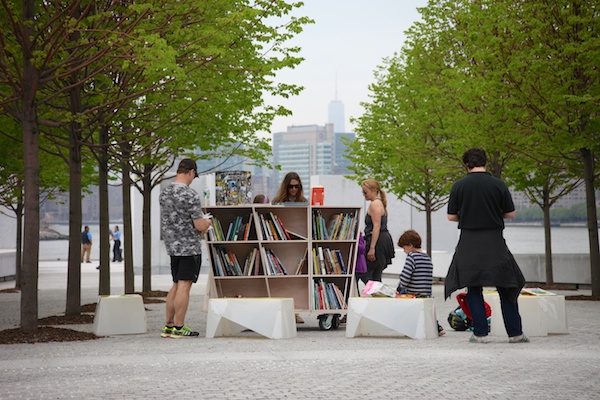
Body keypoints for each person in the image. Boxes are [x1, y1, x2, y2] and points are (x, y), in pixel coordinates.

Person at [445, 148, 528, 344]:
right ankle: (515, 333)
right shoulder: (498, 184)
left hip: (469, 242)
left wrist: (467, 216)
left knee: (474, 287)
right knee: (506, 286)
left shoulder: (459, 186)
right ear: (485, 162)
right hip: (494, 242)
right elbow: (511, 213)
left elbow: (451, 216)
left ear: (467, 165)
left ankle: (480, 334)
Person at [159, 158, 213, 338]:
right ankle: (180, 327)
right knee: (184, 286)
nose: (193, 179)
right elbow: (198, 226)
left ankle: (168, 325)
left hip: (172, 246)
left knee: (175, 284)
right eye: (193, 176)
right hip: (189, 247)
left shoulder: (165, 193)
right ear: (190, 172)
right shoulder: (190, 195)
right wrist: (208, 222)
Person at [272, 172, 307, 323]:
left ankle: (295, 312)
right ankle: (287, 311)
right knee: (282, 280)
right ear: (285, 187)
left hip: (298, 246)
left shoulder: (304, 201)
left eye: (296, 186)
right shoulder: (277, 201)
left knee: (295, 279)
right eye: (291, 186)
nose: (293, 189)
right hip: (281, 245)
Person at [396, 229, 445, 336]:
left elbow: (405, 277)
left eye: (404, 248)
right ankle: (437, 327)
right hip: (427, 294)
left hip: (414, 294)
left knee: (399, 297)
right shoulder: (427, 257)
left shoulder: (412, 257)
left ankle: (407, 326)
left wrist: (400, 287)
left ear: (410, 245)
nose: (404, 251)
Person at [360, 179, 395, 282]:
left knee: (365, 272)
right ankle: (376, 293)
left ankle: (374, 291)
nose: (364, 195)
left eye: (365, 192)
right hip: (382, 240)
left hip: (377, 241)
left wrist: (372, 248)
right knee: (376, 274)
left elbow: (376, 226)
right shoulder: (380, 203)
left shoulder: (375, 204)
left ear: (374, 190)